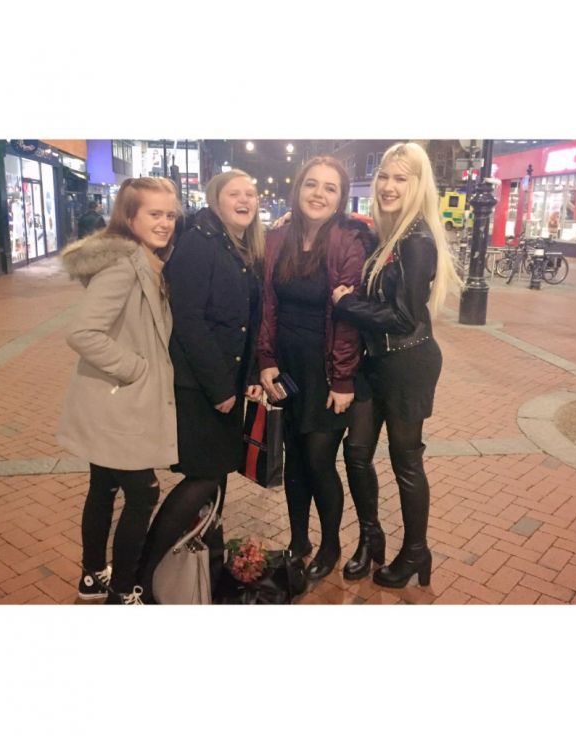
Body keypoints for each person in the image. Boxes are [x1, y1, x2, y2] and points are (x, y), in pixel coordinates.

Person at [332, 142, 462, 588]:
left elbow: (404, 317)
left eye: (400, 178)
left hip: (408, 362)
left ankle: (415, 552)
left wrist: (346, 305)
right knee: (356, 452)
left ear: (418, 184)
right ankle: (372, 538)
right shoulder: (392, 235)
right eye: (384, 176)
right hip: (375, 361)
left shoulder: (418, 240)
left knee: (405, 460)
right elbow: (358, 232)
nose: (388, 186)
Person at [137, 169, 264, 603]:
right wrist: (220, 387)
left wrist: (248, 377)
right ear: (215, 200)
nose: (244, 200)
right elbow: (188, 320)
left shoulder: (238, 245)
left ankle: (208, 566)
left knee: (216, 475)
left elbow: (244, 322)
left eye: (250, 194)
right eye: (234, 193)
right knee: (203, 478)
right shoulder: (200, 242)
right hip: (202, 387)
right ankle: (142, 576)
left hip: (227, 382)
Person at [57, 177, 181, 604]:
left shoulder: (146, 259)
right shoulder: (124, 266)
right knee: (143, 492)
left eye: (170, 214)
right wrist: (136, 369)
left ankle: (93, 577)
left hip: (110, 400)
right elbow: (82, 332)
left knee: (103, 485)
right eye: (154, 214)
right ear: (130, 217)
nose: (165, 223)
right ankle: (124, 590)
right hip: (120, 401)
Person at [257, 156, 368, 581]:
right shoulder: (277, 238)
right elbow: (268, 304)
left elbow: (347, 321)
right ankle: (299, 540)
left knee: (320, 461)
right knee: (295, 461)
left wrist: (342, 379)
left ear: (340, 198)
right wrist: (266, 360)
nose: (318, 194)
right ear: (298, 189)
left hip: (325, 370)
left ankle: (330, 543)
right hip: (287, 369)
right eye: (311, 184)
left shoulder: (347, 242)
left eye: (329, 187)